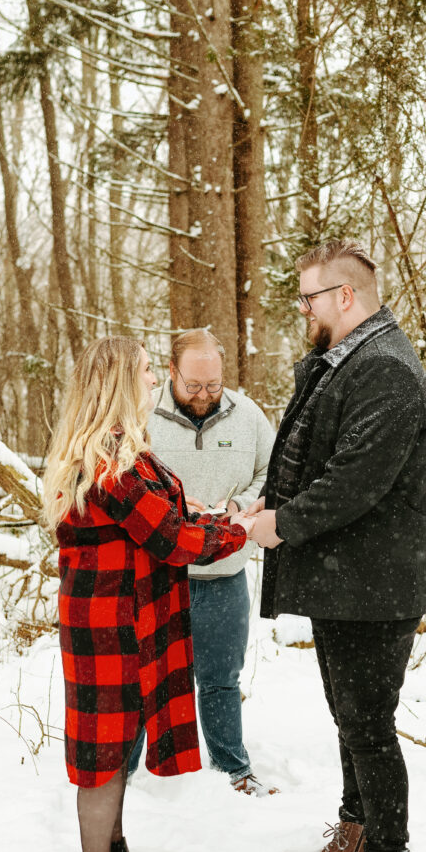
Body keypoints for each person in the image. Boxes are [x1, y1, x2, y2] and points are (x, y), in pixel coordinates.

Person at [246, 238, 426, 852]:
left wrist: (283, 524)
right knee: (350, 718)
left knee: (368, 725)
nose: (303, 309)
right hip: (350, 579)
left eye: (310, 298)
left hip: (376, 583)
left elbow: (355, 480)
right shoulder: (348, 360)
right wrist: (268, 507)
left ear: (345, 298)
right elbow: (317, 455)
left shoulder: (383, 368)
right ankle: (354, 836)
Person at [42, 337, 252, 852]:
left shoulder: (123, 449)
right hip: (107, 622)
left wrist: (220, 519)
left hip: (127, 616)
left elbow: (167, 516)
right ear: (116, 382)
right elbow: (168, 536)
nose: (153, 381)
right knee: (104, 748)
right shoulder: (107, 458)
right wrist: (242, 531)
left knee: (119, 737)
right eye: (143, 372)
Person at [128, 329, 277, 796]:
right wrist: (170, 503)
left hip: (223, 574)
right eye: (193, 386)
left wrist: (241, 508)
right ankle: (124, 778)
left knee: (220, 679)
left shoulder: (247, 414)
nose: (204, 396)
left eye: (212, 386)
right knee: (142, 679)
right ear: (171, 372)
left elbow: (273, 471)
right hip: (159, 573)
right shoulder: (141, 414)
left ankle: (233, 769)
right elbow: (121, 475)